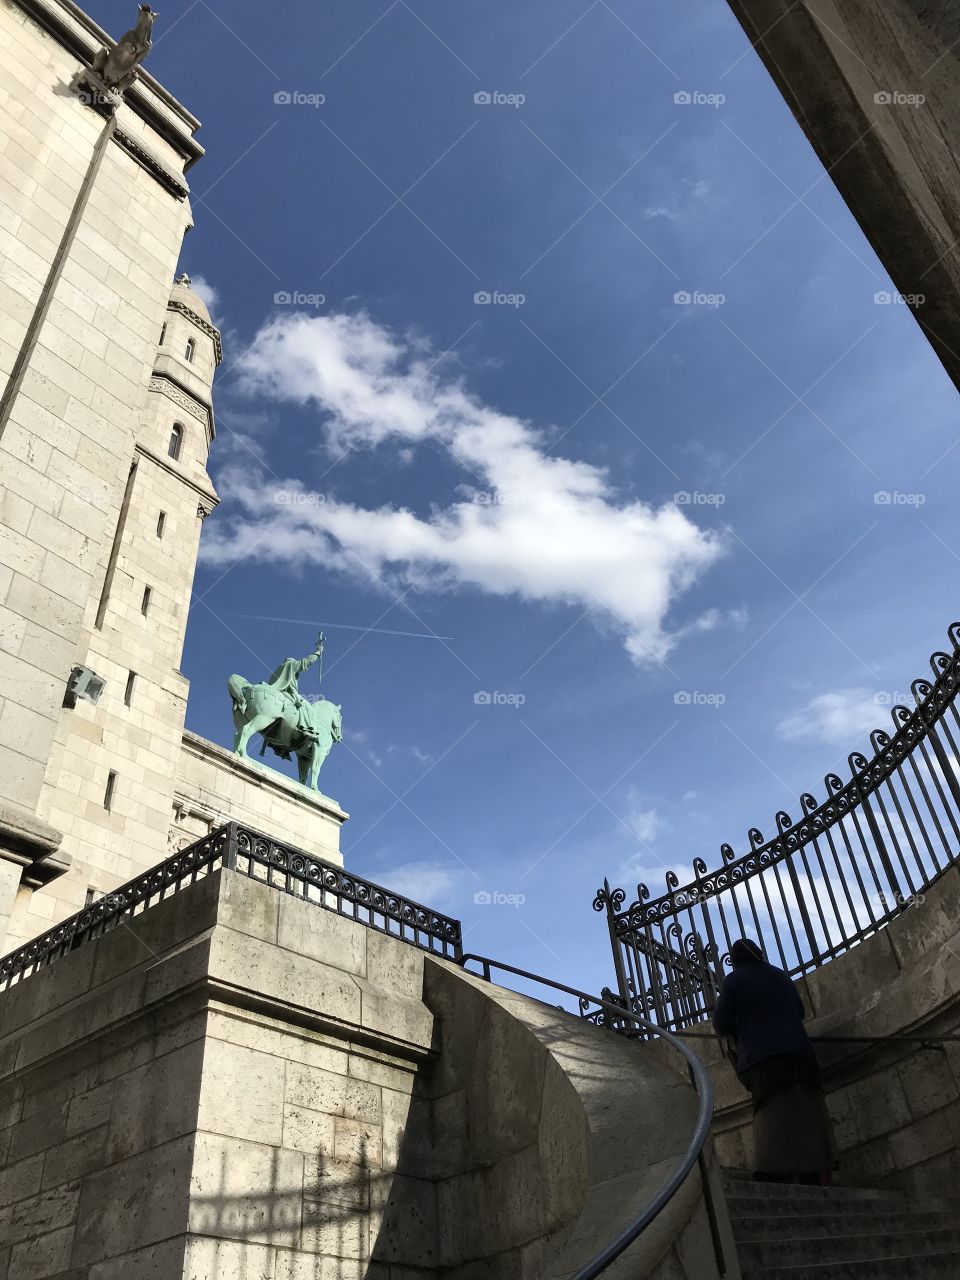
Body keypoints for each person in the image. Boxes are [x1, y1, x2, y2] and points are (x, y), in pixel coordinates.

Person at [713, 938, 835, 1184]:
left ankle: (775, 1169)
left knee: (771, 1112)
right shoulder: (780, 976)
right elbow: (800, 1011)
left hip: (762, 1058)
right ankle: (816, 1168)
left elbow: (721, 1023)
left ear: (734, 961)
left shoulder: (734, 981)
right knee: (807, 1110)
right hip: (799, 1053)